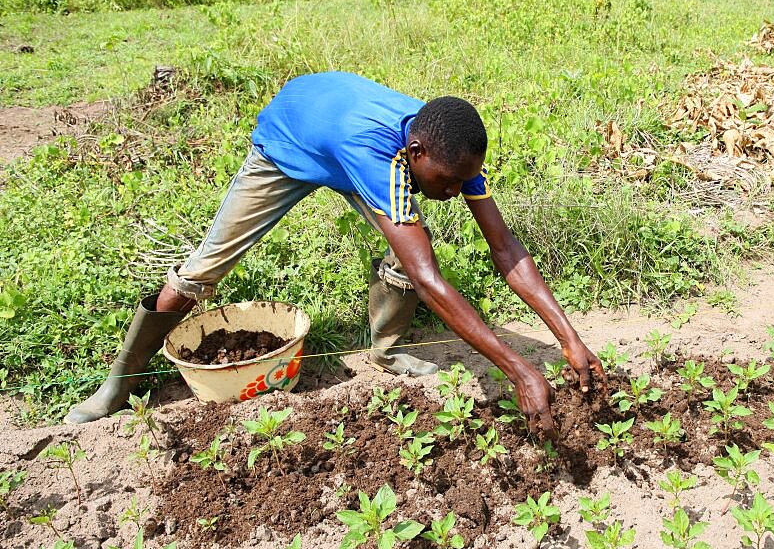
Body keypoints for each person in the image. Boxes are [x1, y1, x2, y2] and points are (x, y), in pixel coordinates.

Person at [65, 71, 606, 436]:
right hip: (291, 143)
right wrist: (521, 371)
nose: (452, 192)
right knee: (204, 268)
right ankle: (121, 380)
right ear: (415, 154)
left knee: (410, 248)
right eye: (445, 183)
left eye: (461, 181)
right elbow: (429, 279)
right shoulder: (382, 160)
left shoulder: (450, 148)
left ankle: (387, 350)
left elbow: (505, 247)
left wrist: (569, 338)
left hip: (341, 126)